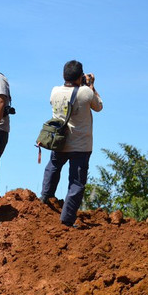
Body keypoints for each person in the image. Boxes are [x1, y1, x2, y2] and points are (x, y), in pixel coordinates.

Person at [40, 60, 103, 227]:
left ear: (64, 75)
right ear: (80, 76)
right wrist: (91, 86)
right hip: (81, 145)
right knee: (76, 182)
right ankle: (67, 219)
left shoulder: (54, 91)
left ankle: (45, 198)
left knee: (53, 166)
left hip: (60, 141)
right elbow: (99, 106)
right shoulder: (86, 93)